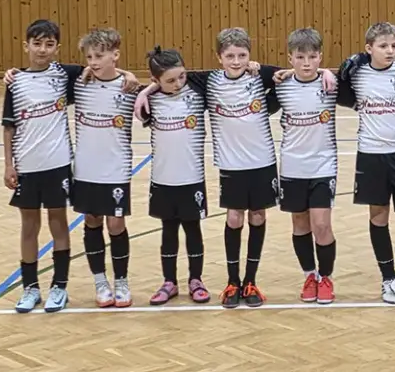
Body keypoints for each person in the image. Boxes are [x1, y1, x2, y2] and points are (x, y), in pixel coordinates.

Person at [338, 22, 395, 304]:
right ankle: (387, 276)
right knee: (378, 216)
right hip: (370, 154)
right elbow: (334, 88)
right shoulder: (358, 73)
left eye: (393, 45)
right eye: (382, 46)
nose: (389, 51)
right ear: (368, 49)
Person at [1, 19, 76, 314]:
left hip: (57, 164)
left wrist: (128, 75)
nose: (42, 49)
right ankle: (30, 288)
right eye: (37, 43)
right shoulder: (15, 81)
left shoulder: (64, 75)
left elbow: (101, 69)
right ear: (26, 46)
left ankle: (59, 286)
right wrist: (8, 165)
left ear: (57, 47)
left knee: (58, 222)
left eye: (49, 44)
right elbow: (8, 127)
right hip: (26, 165)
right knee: (29, 226)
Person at [206, 28, 282, 309]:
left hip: (262, 161)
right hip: (230, 164)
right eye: (229, 56)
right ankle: (232, 281)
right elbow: (174, 78)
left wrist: (261, 68)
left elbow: (287, 73)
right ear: (219, 57)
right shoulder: (211, 82)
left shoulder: (259, 77)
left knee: (258, 217)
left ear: (250, 56)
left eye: (242, 55)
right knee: (235, 218)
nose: (236, 61)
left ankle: (250, 280)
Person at [65, 28, 139, 309]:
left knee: (116, 222)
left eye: (100, 55)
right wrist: (12, 72)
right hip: (86, 168)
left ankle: (121, 280)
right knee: (92, 220)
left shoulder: (129, 88)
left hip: (116, 167)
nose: (93, 62)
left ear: (115, 55)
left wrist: (131, 75)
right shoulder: (79, 83)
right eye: (89, 56)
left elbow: (158, 89)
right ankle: (100, 281)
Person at [271, 29, 340, 305]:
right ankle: (309, 275)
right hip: (291, 168)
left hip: (323, 166)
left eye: (313, 57)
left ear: (320, 57)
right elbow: (254, 77)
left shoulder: (330, 86)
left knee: (321, 225)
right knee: (300, 224)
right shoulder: (280, 86)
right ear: (290, 59)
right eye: (300, 57)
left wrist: (330, 72)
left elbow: (357, 69)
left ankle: (326, 277)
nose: (307, 63)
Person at [138, 46, 210, 305]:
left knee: (193, 229)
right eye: (169, 80)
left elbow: (231, 71)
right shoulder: (149, 100)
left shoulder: (198, 89)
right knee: (168, 230)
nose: (178, 83)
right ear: (155, 80)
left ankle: (196, 279)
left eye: (181, 76)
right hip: (163, 179)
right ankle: (169, 281)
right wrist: (146, 91)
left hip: (191, 178)